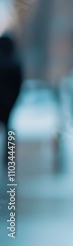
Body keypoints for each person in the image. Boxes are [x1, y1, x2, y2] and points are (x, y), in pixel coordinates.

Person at [0, 34, 23, 164]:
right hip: (9, 104)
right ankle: (9, 159)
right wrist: (12, 101)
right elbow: (18, 85)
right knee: (9, 132)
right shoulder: (15, 62)